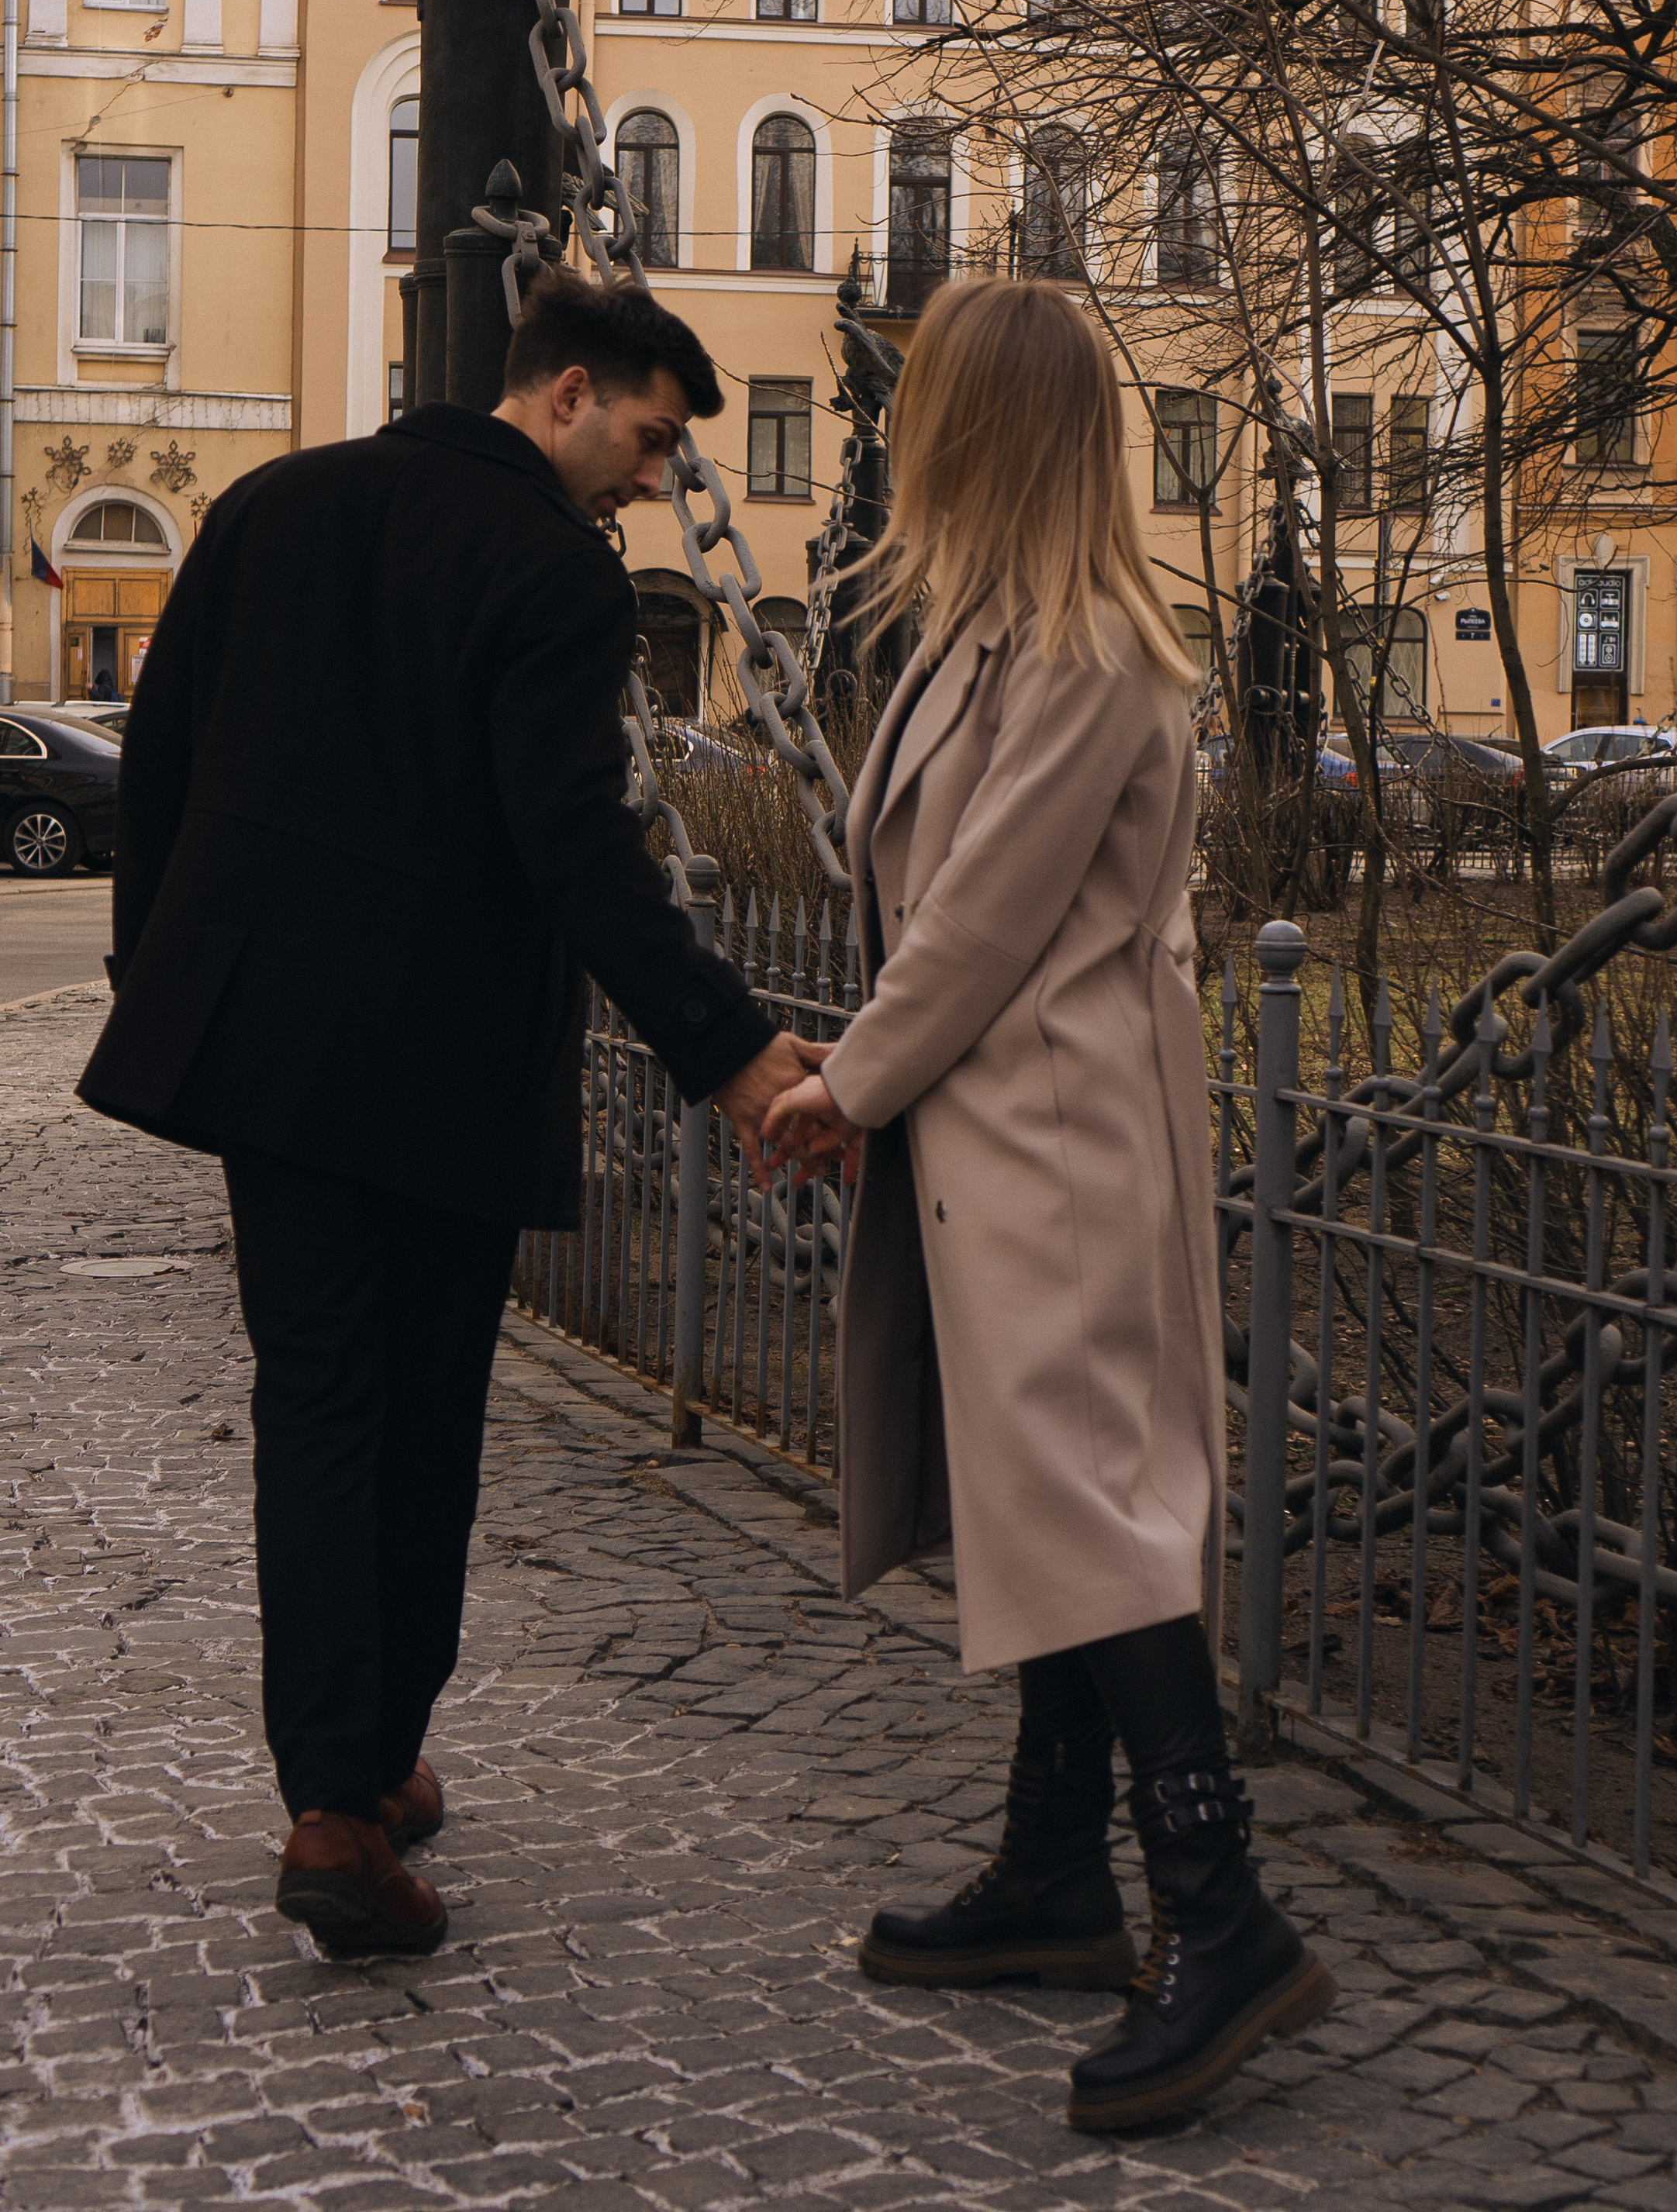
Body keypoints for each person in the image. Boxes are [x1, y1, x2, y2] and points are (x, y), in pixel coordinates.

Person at [80, 272, 817, 1957]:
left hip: (269, 1052)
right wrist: (726, 1049)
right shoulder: (551, 571)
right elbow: (578, 849)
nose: (655, 475)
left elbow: (165, 767)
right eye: (649, 435)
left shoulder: (272, 504)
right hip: (442, 1062)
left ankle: (343, 1777)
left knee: (315, 1405)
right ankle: (349, 1801)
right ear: (565, 393)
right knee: (419, 1428)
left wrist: (163, 983)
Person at [764, 282, 1334, 2134]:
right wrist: (867, 1072)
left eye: (928, 403)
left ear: (983, 431)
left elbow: (984, 914)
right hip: (1004, 1133)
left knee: (1092, 1506)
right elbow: (940, 908)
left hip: (1062, 1144)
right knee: (1048, 1497)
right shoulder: (989, 638)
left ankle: (1219, 1914)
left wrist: (846, 1084)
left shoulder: (1086, 656)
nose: (903, 428)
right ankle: (1056, 1868)